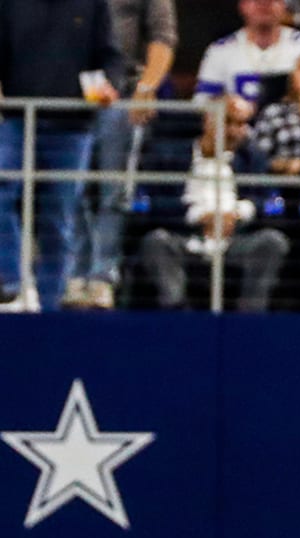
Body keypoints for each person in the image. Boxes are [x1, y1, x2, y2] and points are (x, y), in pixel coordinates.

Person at [0, 0, 124, 312]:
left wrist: (109, 85)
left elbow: (110, 57)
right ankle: (11, 287)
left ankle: (49, 305)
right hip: (16, 119)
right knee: (1, 193)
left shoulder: (93, 4)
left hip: (72, 125)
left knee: (58, 216)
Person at [63, 0, 178, 311]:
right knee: (72, 189)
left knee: (113, 191)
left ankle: (101, 277)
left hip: (123, 91)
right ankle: (75, 274)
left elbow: (163, 37)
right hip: (70, 93)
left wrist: (147, 87)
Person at [139, 95, 290, 312]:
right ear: (208, 119)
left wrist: (237, 214)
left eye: (241, 124)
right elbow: (155, 201)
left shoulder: (252, 158)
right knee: (156, 242)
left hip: (234, 239)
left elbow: (266, 198)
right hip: (187, 237)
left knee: (273, 242)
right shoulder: (170, 154)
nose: (235, 131)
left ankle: (250, 317)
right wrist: (199, 216)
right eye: (228, 122)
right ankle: (176, 312)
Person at [193, 0, 300, 106]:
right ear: (243, 5)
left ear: (284, 6)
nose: (264, 5)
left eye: (271, 1)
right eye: (257, 1)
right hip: (237, 133)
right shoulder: (220, 51)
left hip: (293, 133)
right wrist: (228, 105)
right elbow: (202, 103)